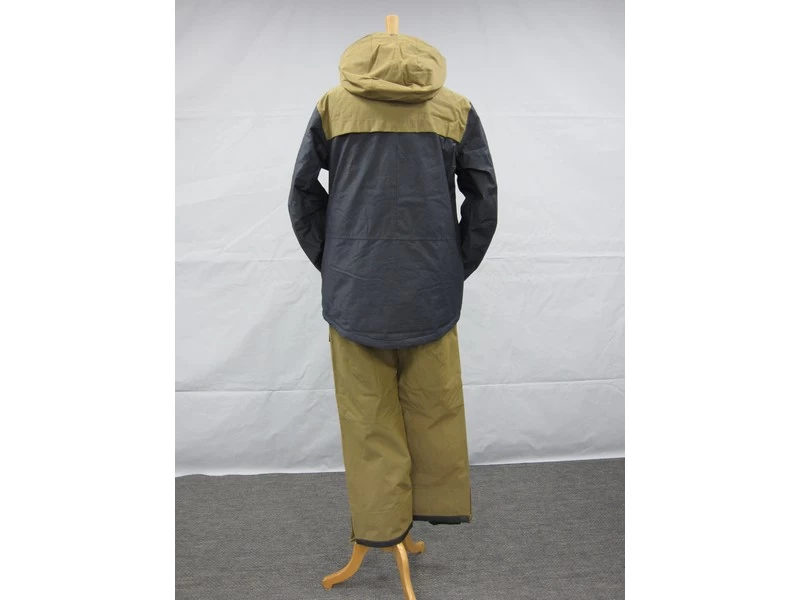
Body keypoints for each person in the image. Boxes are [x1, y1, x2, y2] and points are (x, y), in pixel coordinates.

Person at [288, 31, 498, 548]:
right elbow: (483, 199)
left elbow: (302, 194)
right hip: (431, 289)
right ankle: (430, 509)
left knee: (367, 420)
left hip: (355, 289)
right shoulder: (455, 109)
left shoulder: (334, 107)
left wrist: (335, 262)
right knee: (435, 407)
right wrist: (453, 266)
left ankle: (383, 528)